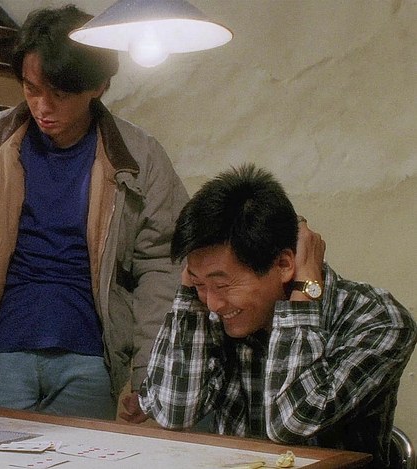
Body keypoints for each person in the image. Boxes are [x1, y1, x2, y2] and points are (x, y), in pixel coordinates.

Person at [0, 5, 188, 420]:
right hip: (0, 350)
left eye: (60, 93)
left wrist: (151, 369)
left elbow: (163, 264)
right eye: (31, 88)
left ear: (98, 86)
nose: (43, 106)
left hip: (91, 356)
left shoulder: (139, 158)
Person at [122, 164, 416, 467]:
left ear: (284, 264)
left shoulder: (378, 319)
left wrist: (304, 294)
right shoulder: (214, 312)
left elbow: (291, 423)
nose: (212, 304)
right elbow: (173, 411)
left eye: (222, 285)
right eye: (197, 284)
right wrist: (190, 294)